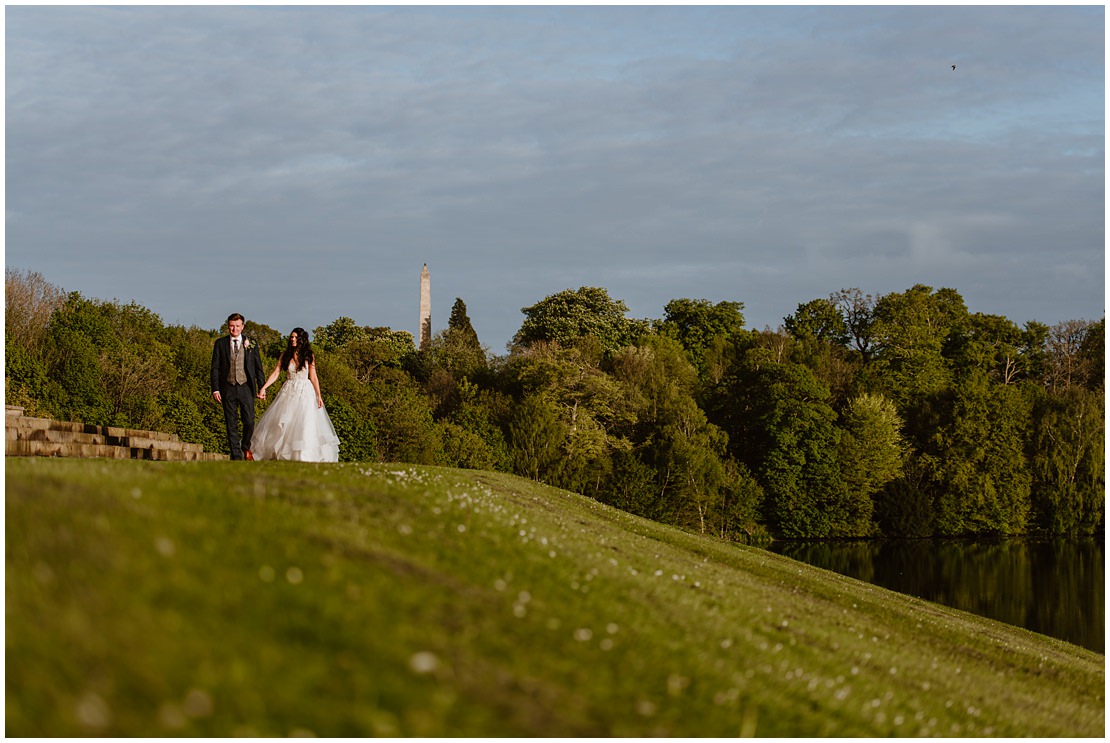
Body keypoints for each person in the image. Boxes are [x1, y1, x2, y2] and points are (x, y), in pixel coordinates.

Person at [252, 327, 340, 462]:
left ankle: (303, 455)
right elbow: (276, 373)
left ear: (301, 339)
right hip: (289, 390)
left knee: (304, 423)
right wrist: (263, 388)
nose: (292, 339)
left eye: (295, 337)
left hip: (305, 391)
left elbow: (314, 377)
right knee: (285, 421)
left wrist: (319, 395)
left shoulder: (309, 355)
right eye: (291, 337)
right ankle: (283, 453)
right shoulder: (285, 355)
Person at [210, 313, 266, 461]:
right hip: (227, 387)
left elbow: (258, 367)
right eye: (231, 326)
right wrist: (215, 389)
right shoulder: (220, 343)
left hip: (246, 387)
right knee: (231, 422)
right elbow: (215, 368)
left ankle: (245, 446)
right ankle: (236, 456)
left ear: (242, 326)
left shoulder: (251, 343)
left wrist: (262, 387)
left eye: (237, 326)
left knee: (249, 421)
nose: (234, 329)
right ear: (228, 326)